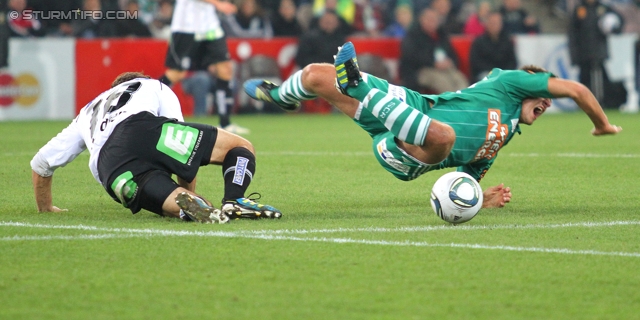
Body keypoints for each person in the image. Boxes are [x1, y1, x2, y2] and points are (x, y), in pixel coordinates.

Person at [243, 41, 622, 208]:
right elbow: (575, 89)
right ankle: (281, 98)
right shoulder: (509, 82)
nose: (546, 102)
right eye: (543, 97)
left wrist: (478, 199)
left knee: (443, 135)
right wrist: (602, 124)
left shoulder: (503, 135)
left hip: (410, 153)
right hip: (410, 106)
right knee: (315, 74)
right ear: (529, 86)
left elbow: (464, 180)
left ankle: (357, 86)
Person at [31, 72, 282, 223]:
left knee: (183, 203)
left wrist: (45, 208)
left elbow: (41, 165)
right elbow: (182, 155)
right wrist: (186, 178)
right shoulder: (152, 86)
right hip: (140, 128)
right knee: (240, 146)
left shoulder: (87, 112)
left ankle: (192, 206)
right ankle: (234, 199)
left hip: (110, 169)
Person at [159, 0, 249, 135]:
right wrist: (219, 5)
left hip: (209, 25)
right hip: (187, 25)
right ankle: (145, 102)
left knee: (225, 69)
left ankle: (225, 123)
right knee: (177, 73)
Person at [568, 0, 624, 107]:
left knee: (602, 80)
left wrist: (615, 27)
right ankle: (585, 105)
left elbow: (619, 21)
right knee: (584, 80)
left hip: (599, 51)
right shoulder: (579, 9)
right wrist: (574, 55)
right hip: (583, 53)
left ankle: (603, 103)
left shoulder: (603, 8)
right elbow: (572, 34)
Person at [399, 8, 468, 93]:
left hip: (444, 68)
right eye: (429, 19)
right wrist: (433, 63)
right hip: (421, 70)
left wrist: (450, 61)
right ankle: (451, 104)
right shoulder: (413, 35)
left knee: (459, 78)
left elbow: (452, 53)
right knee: (442, 81)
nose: (432, 22)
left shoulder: (441, 34)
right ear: (422, 20)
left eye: (435, 20)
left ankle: (465, 103)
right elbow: (412, 56)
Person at [469, 11, 517, 82]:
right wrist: (494, 71)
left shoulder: (507, 41)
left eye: (497, 23)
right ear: (487, 24)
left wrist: (503, 72)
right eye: (492, 23)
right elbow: (476, 63)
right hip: (486, 73)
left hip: (504, 73)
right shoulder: (479, 42)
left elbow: (513, 61)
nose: (495, 26)